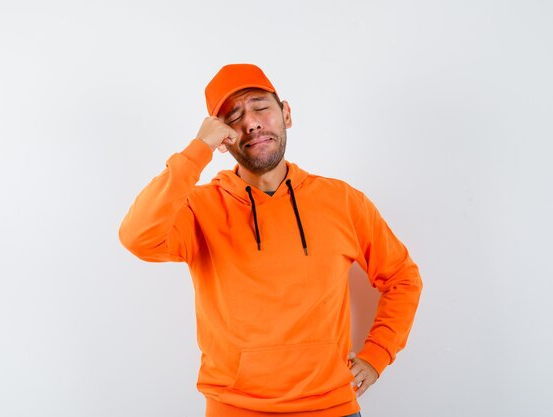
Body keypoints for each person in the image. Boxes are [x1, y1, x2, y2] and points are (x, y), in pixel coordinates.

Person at [119, 64, 423, 417]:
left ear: (286, 114)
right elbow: (137, 236)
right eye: (232, 116)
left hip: (332, 407)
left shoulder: (343, 201)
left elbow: (402, 278)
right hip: (235, 409)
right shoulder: (199, 208)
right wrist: (198, 149)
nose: (251, 122)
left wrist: (377, 355)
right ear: (221, 136)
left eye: (261, 107)